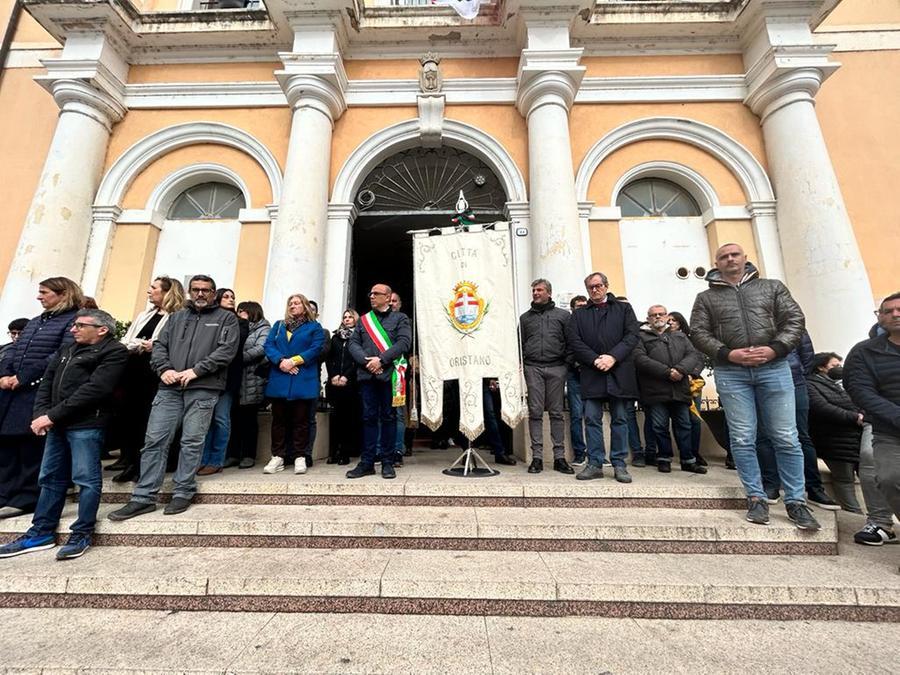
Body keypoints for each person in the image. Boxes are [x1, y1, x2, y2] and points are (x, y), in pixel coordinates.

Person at [690, 243, 819, 530]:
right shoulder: (706, 298)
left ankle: (797, 501)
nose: (730, 259)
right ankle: (756, 497)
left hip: (773, 367)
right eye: (724, 257)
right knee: (743, 437)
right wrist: (726, 353)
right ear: (717, 263)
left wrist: (775, 348)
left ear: (745, 259)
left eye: (735, 254)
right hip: (731, 371)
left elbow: (794, 320)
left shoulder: (772, 287)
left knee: (786, 436)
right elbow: (698, 331)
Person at [107, 274, 239, 520]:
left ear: (213, 293)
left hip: (203, 387)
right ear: (189, 291)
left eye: (206, 290)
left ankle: (183, 491)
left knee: (191, 441)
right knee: (155, 440)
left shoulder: (226, 319)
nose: (201, 294)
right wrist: (165, 369)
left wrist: (197, 371)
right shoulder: (176, 318)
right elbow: (159, 346)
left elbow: (226, 351)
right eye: (196, 289)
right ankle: (143, 497)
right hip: (169, 388)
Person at [0, 309, 127, 559]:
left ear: (102, 329)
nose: (73, 329)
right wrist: (40, 414)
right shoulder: (68, 350)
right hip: (56, 424)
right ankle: (41, 530)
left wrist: (51, 415)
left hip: (87, 424)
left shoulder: (114, 352)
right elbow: (47, 382)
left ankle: (82, 532)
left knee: (86, 479)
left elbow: (95, 390)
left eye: (80, 325)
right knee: (49, 477)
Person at [0, 277, 83, 519]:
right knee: (6, 446)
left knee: (29, 447)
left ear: (62, 294)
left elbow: (60, 355)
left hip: (37, 391)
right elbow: (15, 348)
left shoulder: (73, 320)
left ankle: (26, 497)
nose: (39, 297)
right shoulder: (37, 321)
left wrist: (23, 376)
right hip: (13, 393)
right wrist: (5, 373)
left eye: (44, 292)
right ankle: (4, 494)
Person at [108, 277, 185, 484]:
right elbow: (128, 341)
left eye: (154, 288)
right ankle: (131, 461)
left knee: (148, 418)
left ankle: (146, 465)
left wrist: (153, 345)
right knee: (130, 417)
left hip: (156, 372)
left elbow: (166, 344)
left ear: (167, 292)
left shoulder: (177, 316)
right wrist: (142, 344)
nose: (149, 291)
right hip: (133, 369)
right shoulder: (145, 315)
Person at [566, 272, 640, 483]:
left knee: (620, 419)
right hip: (592, 372)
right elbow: (574, 340)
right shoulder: (579, 315)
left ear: (606, 286)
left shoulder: (624, 309)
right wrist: (595, 359)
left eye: (598, 286)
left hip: (619, 371)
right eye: (590, 287)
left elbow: (632, 335)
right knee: (591, 419)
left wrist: (612, 357)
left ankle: (619, 464)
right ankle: (595, 463)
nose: (595, 290)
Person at [756, 330, 839, 509]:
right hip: (761, 381)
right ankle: (771, 484)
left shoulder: (791, 321)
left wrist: (798, 371)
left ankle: (813, 487)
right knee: (763, 435)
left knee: (801, 436)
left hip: (794, 381)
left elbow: (807, 354)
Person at [844, 291, 900, 524]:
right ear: (880, 318)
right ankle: (880, 521)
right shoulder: (864, 352)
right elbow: (860, 390)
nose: (895, 315)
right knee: (889, 478)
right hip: (889, 431)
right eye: (888, 311)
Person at [346, 283, 411, 480]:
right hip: (367, 376)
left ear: (388, 296)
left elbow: (404, 342)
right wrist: (368, 362)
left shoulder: (401, 318)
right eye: (371, 293)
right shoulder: (364, 320)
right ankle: (367, 462)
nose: (372, 296)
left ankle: (388, 462)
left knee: (389, 418)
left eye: (376, 294)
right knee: (368, 418)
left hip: (389, 375)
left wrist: (381, 360)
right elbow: (353, 343)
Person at [633, 305, 707, 474]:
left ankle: (688, 460)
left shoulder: (680, 336)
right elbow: (639, 359)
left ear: (667, 317)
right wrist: (667, 372)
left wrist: (680, 370)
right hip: (655, 390)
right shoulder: (641, 337)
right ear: (648, 318)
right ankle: (664, 458)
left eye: (661, 314)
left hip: (679, 389)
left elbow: (693, 355)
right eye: (653, 315)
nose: (658, 317)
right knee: (659, 426)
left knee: (684, 425)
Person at [260, 294, 324, 475]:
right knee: (278, 420)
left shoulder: (314, 327)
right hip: (280, 377)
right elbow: (268, 345)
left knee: (301, 421)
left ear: (305, 307)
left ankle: (299, 456)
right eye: (290, 303)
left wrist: (294, 361)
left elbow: (315, 348)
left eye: (297, 303)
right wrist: (281, 361)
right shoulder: (278, 326)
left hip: (302, 378)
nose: (293, 306)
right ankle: (277, 456)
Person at [520, 279, 573, 475]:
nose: (535, 293)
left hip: (557, 368)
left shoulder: (563, 316)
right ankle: (537, 457)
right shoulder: (525, 318)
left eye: (539, 290)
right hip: (533, 367)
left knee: (557, 412)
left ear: (549, 293)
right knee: (535, 412)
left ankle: (559, 457)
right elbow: (521, 342)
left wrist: (566, 364)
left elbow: (570, 341)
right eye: (534, 290)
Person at [198, 288, 248, 475]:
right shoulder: (208, 319)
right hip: (205, 375)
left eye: (233, 297)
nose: (231, 299)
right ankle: (201, 459)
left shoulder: (241, 322)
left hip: (228, 376)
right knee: (204, 420)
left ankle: (216, 459)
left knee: (220, 418)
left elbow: (234, 344)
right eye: (226, 297)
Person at [806, 352, 862, 513]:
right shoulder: (811, 384)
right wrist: (854, 417)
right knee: (844, 479)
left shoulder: (845, 384)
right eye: (834, 366)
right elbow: (822, 408)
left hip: (855, 438)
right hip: (834, 440)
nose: (839, 369)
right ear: (821, 367)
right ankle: (854, 515)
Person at [226, 301, 270, 469]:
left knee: (249, 419)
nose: (239, 313)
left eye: (242, 311)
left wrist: (237, 359)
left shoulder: (263, 328)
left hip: (252, 378)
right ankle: (233, 454)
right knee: (234, 418)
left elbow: (261, 348)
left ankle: (248, 455)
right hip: (236, 379)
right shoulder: (236, 327)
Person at [667, 311, 708, 466]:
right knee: (680, 420)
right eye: (669, 320)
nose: (671, 322)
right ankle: (686, 453)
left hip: (693, 383)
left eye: (674, 320)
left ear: (680, 323)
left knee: (695, 420)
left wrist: (692, 374)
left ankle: (695, 452)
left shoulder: (691, 340)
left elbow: (699, 359)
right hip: (675, 383)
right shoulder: (664, 338)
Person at [326, 309, 360, 466]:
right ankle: (333, 451)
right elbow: (330, 358)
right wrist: (333, 375)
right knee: (335, 419)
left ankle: (345, 452)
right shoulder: (336, 338)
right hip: (335, 383)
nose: (347, 319)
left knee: (348, 419)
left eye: (350, 317)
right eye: (345, 317)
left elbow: (357, 360)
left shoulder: (359, 337)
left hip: (351, 383)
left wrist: (346, 376)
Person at [299, 300, 330, 469]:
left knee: (309, 419)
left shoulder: (323, 333)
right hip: (291, 377)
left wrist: (297, 357)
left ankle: (306, 453)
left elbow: (322, 353)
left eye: (312, 310)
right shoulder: (289, 330)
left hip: (311, 378)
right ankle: (292, 452)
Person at [567, 295, 588, 464]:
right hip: (575, 374)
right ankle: (579, 452)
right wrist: (576, 362)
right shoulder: (568, 324)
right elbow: (566, 348)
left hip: (593, 374)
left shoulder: (593, 322)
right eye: (578, 306)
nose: (581, 308)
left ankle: (598, 454)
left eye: (584, 305)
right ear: (572, 309)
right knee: (576, 415)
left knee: (593, 416)